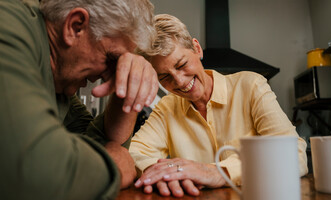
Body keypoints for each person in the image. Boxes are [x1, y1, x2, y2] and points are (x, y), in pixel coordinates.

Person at [0, 0, 159, 200]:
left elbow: (97, 146)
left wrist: (128, 87)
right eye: (112, 59)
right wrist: (112, 166)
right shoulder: (7, 23)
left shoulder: (60, 89)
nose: (110, 76)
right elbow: (35, 171)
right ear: (75, 27)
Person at [129, 14, 308, 197]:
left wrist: (218, 172)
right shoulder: (166, 107)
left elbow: (294, 154)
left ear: (197, 49)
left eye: (182, 64)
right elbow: (133, 155)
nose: (180, 82)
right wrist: (160, 172)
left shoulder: (251, 86)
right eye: (164, 77)